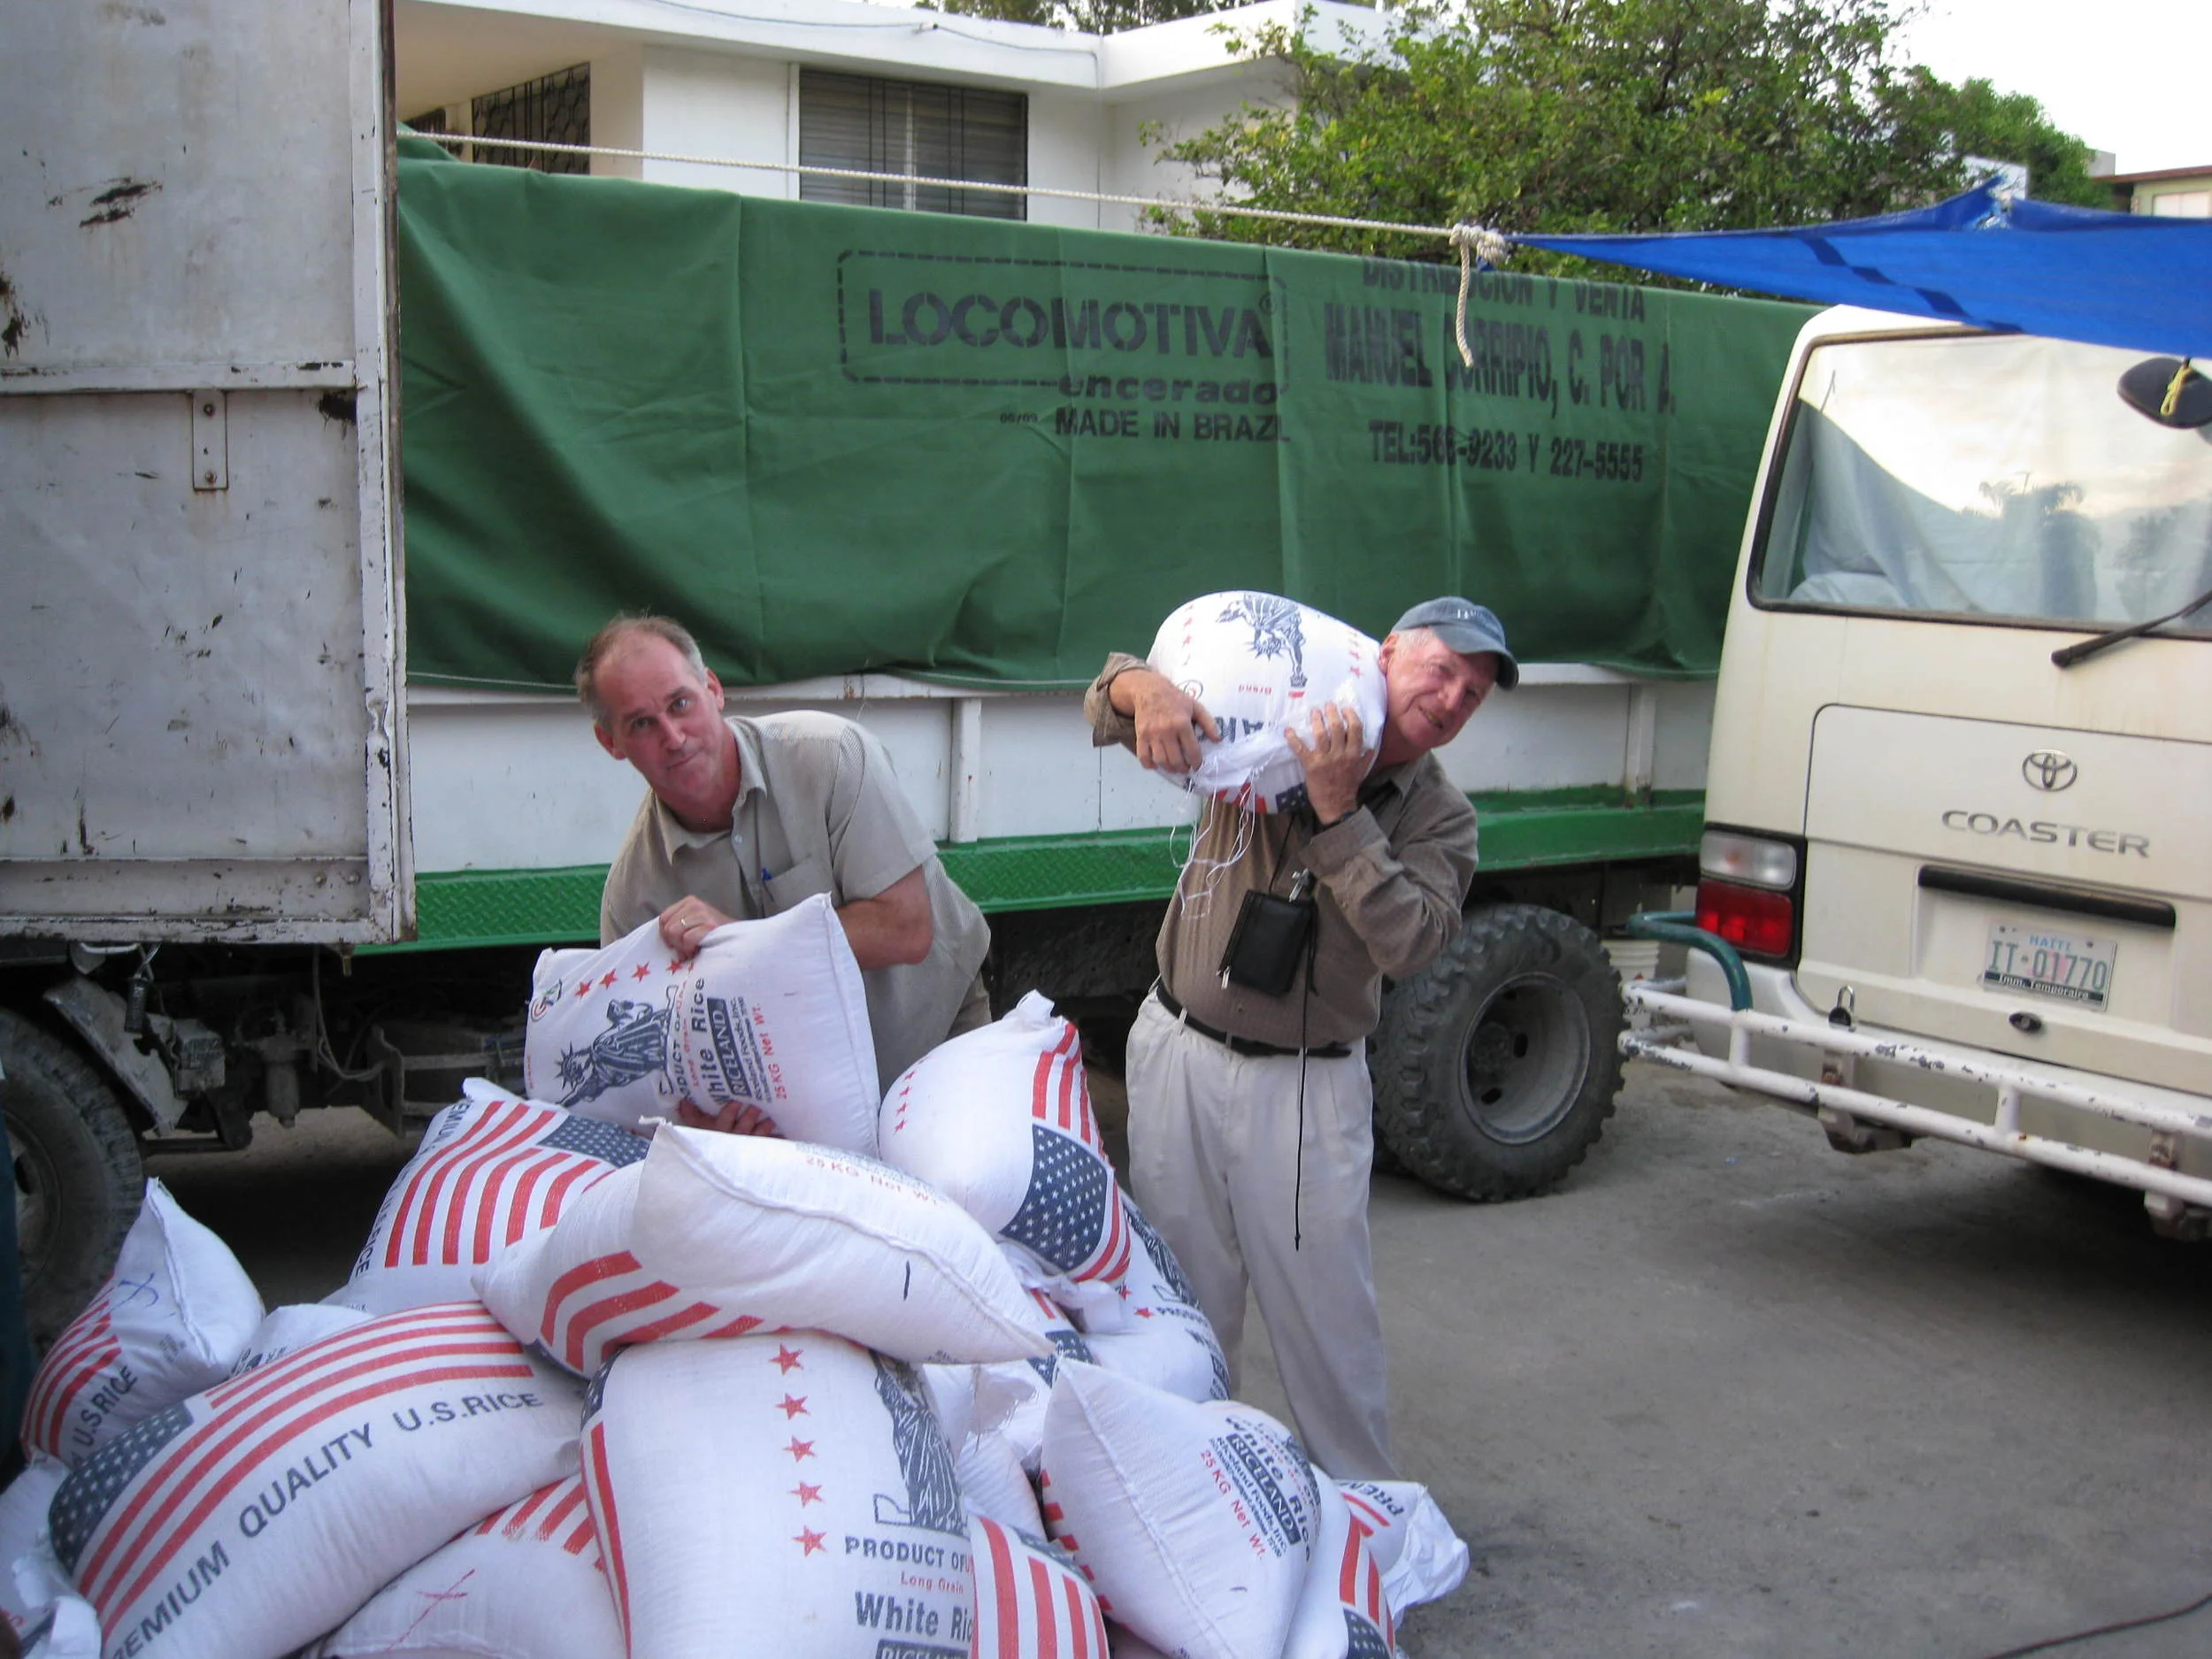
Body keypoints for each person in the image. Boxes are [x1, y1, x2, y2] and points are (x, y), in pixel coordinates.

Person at [1085, 596, 1515, 1480]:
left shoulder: (1440, 816)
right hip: (1179, 1050)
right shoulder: (1267, 713)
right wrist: (1142, 686)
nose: (1451, 697)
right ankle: (1184, 1495)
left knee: (1325, 1322)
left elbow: (1413, 941)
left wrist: (1336, 812)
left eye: (1472, 693)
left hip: (1306, 1088)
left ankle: (1368, 1528)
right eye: (1440, 670)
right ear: (1384, 652)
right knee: (1175, 1299)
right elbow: (1103, 702)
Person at [581, 615, 993, 1103]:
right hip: (800, 1101)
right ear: (611, 743)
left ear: (713, 688)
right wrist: (700, 1116)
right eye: (642, 723)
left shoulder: (832, 756)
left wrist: (738, 943)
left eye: (680, 704)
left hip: (935, 1040)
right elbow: (655, 1067)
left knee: (963, 1180)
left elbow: (906, 929)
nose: (673, 737)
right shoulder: (632, 899)